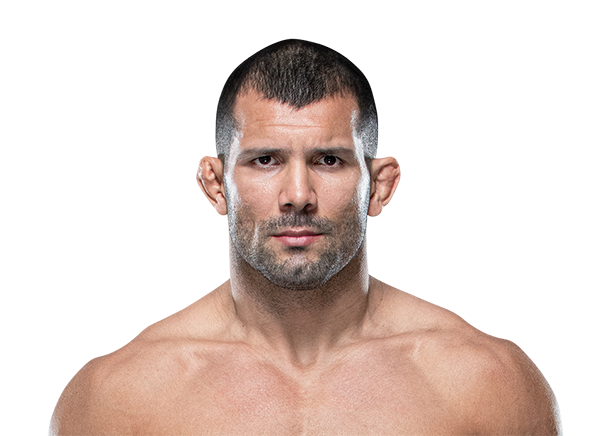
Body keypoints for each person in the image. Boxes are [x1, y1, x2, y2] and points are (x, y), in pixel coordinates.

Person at [49, 38, 562, 435]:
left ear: (379, 187)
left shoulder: (487, 384)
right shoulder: (118, 397)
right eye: (265, 160)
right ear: (215, 185)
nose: (298, 195)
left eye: (329, 160)